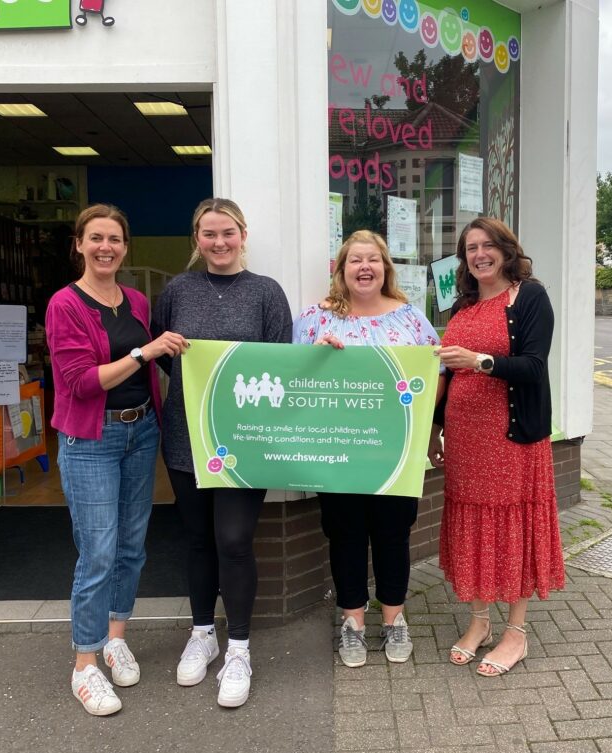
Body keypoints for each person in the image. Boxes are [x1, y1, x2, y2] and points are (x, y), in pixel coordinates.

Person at [46, 204, 188, 716]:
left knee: (131, 545)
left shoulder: (134, 301)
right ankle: (84, 666)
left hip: (140, 430)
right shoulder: (64, 305)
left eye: (115, 239)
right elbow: (81, 382)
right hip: (92, 438)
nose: (106, 247)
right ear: (79, 244)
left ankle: (114, 637)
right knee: (98, 552)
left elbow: (160, 357)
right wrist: (144, 353)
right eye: (96, 238)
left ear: (125, 247)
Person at [153, 198, 292, 708]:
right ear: (197, 238)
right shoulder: (176, 291)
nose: (218, 242)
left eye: (227, 232)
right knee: (197, 540)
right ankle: (201, 633)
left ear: (243, 234)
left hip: (245, 440)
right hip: (186, 436)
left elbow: (281, 364)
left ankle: (238, 647)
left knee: (233, 540)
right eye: (208, 234)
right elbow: (167, 356)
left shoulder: (266, 294)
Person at [293, 230, 440, 668]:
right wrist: (313, 357)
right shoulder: (315, 321)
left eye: (372, 259)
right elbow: (289, 381)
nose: (364, 267)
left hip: (395, 451)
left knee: (394, 535)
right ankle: (353, 622)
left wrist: (428, 428)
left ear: (385, 268)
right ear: (341, 269)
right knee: (345, 535)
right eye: (354, 260)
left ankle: (394, 618)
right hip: (338, 452)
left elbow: (436, 372)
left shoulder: (411, 319)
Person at [430, 216, 565, 677]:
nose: (479, 254)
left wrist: (479, 361)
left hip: (512, 437)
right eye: (471, 248)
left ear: (507, 250)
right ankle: (480, 622)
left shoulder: (529, 296)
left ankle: (516, 632)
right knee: (475, 526)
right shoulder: (461, 308)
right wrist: (433, 428)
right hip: (466, 440)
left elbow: (532, 364)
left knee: (512, 526)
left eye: (488, 245)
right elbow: (443, 377)